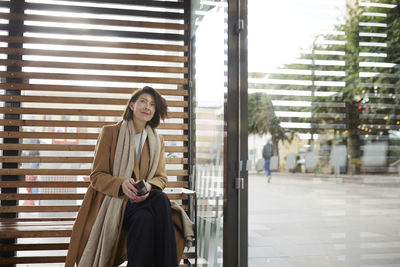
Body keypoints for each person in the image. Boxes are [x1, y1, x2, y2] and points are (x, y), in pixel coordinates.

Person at [65, 86, 180, 267]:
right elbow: (96, 176)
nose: (147, 107)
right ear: (132, 105)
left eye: (152, 104)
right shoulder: (110, 132)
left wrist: (148, 186)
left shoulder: (158, 141)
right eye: (143, 101)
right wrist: (121, 184)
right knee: (161, 199)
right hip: (115, 203)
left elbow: (161, 177)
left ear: (155, 112)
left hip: (144, 202)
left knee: (146, 219)